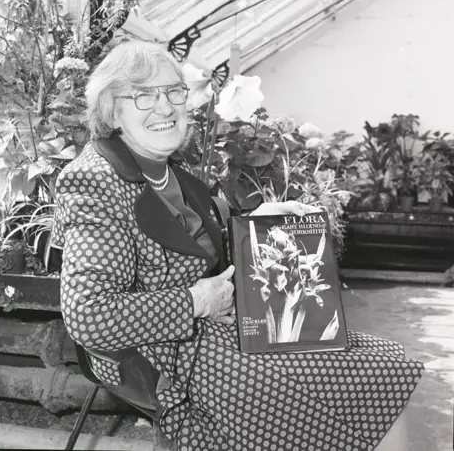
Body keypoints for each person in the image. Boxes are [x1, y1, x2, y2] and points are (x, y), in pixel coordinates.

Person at [51, 40, 423, 451]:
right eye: (142, 95)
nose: (165, 107)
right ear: (111, 108)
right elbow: (88, 315)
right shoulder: (93, 179)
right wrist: (195, 301)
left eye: (174, 91)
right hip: (161, 356)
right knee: (371, 377)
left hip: (212, 333)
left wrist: (258, 222)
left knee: (385, 366)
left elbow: (192, 248)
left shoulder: (173, 175)